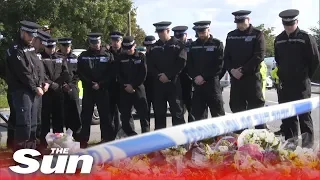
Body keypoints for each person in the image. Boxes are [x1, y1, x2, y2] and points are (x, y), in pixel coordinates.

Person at [274, 9, 320, 147]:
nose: (289, 26)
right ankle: (290, 147)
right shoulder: (279, 39)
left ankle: (307, 149)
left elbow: (315, 61)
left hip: (301, 85)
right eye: (286, 24)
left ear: (297, 22)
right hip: (285, 85)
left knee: (304, 117)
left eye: (291, 24)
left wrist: (305, 77)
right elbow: (278, 60)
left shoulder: (305, 38)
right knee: (288, 118)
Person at [224, 10, 266, 132]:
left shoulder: (257, 34)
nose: (240, 25)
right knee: (237, 109)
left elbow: (259, 55)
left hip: (252, 79)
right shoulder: (231, 35)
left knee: (257, 111)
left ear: (249, 20)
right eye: (238, 22)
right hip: (236, 80)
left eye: (242, 22)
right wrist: (232, 70)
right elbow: (226, 57)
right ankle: (240, 142)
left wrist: (242, 70)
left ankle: (261, 142)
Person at [5, 20, 44, 151]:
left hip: (33, 90)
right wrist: (35, 87)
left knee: (33, 124)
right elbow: (23, 72)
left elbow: (38, 67)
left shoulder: (31, 48)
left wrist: (41, 83)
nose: (32, 38)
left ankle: (31, 152)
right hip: (22, 91)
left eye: (33, 35)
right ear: (22, 32)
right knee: (24, 125)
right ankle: (20, 155)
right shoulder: (15, 49)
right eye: (29, 35)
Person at [77, 33, 115, 148]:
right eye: (93, 43)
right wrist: (90, 83)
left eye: (97, 43)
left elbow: (111, 73)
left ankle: (106, 139)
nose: (95, 45)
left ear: (100, 42)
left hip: (103, 90)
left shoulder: (108, 55)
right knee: (86, 116)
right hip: (89, 90)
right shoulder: (83, 56)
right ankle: (83, 140)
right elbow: (80, 72)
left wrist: (100, 84)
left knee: (105, 116)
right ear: (90, 43)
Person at [148, 21, 186, 129]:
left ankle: (180, 141)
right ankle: (161, 143)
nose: (160, 34)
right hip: (159, 84)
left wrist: (168, 75)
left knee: (177, 112)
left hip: (173, 83)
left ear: (168, 31)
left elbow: (181, 62)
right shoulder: (154, 47)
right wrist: (159, 75)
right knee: (159, 113)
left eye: (162, 31)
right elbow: (150, 64)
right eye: (158, 32)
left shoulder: (178, 45)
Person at [187, 21, 225, 121]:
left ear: (208, 30)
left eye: (203, 31)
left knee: (218, 114)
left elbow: (219, 64)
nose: (201, 34)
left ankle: (220, 137)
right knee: (198, 117)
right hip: (198, 85)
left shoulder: (217, 44)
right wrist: (195, 76)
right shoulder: (193, 45)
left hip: (212, 84)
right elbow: (189, 64)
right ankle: (204, 137)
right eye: (199, 32)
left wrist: (204, 77)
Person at [115, 36, 149, 135]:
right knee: (125, 117)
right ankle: (132, 137)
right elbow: (118, 74)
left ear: (134, 46)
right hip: (125, 90)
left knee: (143, 116)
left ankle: (145, 138)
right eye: (126, 48)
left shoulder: (141, 57)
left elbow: (143, 73)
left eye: (130, 47)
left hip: (138, 89)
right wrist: (126, 85)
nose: (128, 50)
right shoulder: (120, 58)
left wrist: (133, 86)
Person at [40, 38, 69, 149]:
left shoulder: (60, 58)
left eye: (52, 47)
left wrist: (57, 84)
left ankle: (59, 144)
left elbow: (65, 73)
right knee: (45, 119)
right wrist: (52, 84)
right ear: (45, 47)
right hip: (46, 92)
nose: (51, 50)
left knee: (59, 119)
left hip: (58, 92)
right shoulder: (40, 57)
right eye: (48, 47)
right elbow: (41, 74)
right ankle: (44, 144)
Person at [57, 38, 82, 137]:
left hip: (72, 88)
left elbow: (78, 74)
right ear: (60, 46)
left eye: (68, 46)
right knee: (62, 114)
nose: (66, 48)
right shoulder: (56, 57)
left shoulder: (75, 58)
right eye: (64, 46)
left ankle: (77, 136)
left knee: (75, 112)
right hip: (59, 89)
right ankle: (63, 137)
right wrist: (63, 85)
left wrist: (71, 85)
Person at [172, 26, 195, 123]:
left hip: (190, 80)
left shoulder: (193, 46)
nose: (179, 38)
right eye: (177, 36)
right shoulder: (173, 46)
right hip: (177, 80)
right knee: (177, 109)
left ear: (186, 35)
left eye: (181, 36)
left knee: (192, 109)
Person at [32, 30, 51, 142]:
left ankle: (37, 145)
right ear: (35, 40)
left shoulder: (37, 55)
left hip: (39, 92)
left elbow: (41, 72)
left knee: (38, 121)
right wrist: (36, 87)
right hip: (31, 91)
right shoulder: (27, 53)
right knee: (30, 123)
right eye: (41, 43)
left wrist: (45, 83)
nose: (42, 46)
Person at [109, 31, 125, 134]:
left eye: (117, 41)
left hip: (123, 87)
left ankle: (127, 135)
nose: (115, 43)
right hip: (110, 87)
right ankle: (112, 136)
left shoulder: (125, 53)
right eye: (113, 41)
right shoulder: (106, 53)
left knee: (125, 113)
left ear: (121, 41)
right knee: (111, 113)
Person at [143, 35, 157, 123]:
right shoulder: (143, 57)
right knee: (145, 112)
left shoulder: (159, 56)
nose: (149, 48)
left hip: (157, 87)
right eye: (147, 46)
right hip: (146, 87)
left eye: (151, 46)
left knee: (158, 113)